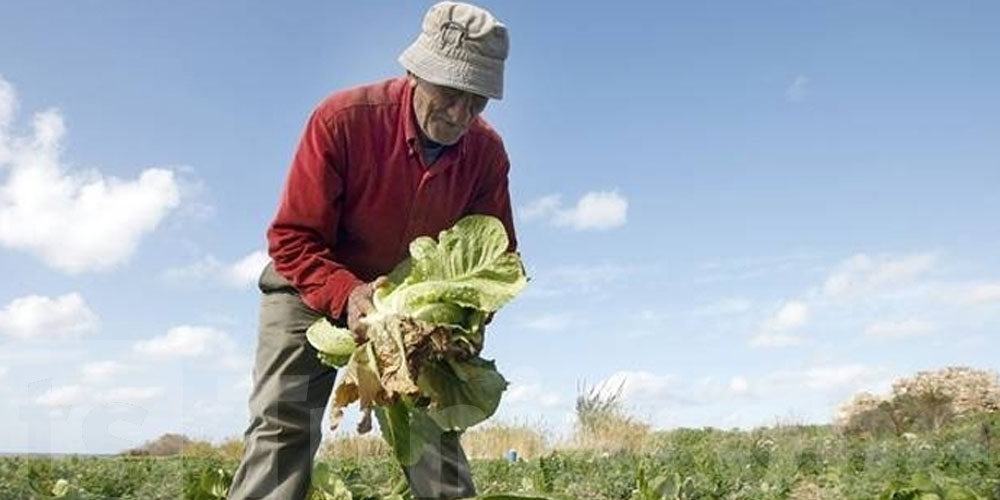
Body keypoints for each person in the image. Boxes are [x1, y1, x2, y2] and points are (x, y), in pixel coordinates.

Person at [226, 2, 515, 499]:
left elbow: (497, 257)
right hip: (311, 284)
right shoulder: (342, 120)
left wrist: (461, 325)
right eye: (450, 93)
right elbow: (292, 238)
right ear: (414, 72)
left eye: (478, 100)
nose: (461, 113)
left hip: (408, 310)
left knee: (434, 436)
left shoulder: (485, 153)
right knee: (284, 427)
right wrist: (349, 294)